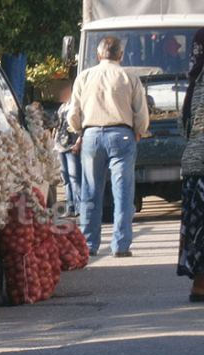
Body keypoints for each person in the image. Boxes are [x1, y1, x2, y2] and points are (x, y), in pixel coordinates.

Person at [68, 36, 150, 257]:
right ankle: (121, 245)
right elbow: (141, 113)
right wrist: (139, 131)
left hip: (92, 135)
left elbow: (73, 113)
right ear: (120, 55)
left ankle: (88, 244)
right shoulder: (129, 77)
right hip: (122, 136)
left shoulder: (84, 77)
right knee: (123, 192)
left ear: (98, 54)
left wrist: (79, 130)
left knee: (90, 192)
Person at [178, 28, 204, 302]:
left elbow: (185, 125)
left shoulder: (195, 80)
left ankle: (199, 285)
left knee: (198, 228)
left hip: (194, 165)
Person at [54, 81, 81, 217]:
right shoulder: (62, 107)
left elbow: (82, 127)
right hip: (60, 146)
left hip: (71, 146)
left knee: (75, 177)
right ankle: (70, 207)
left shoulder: (76, 106)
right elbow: (57, 125)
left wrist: (78, 142)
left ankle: (79, 207)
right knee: (66, 178)